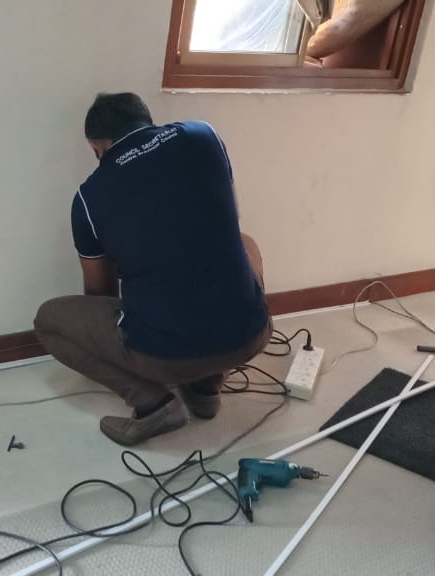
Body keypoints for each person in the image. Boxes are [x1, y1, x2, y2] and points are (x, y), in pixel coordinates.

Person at [34, 92, 271, 446]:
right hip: (251, 335)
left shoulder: (89, 197)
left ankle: (153, 405)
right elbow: (228, 224)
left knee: (48, 321)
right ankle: (205, 387)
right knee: (246, 242)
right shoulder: (204, 136)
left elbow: (99, 293)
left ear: (97, 144)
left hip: (164, 357)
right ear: (147, 121)